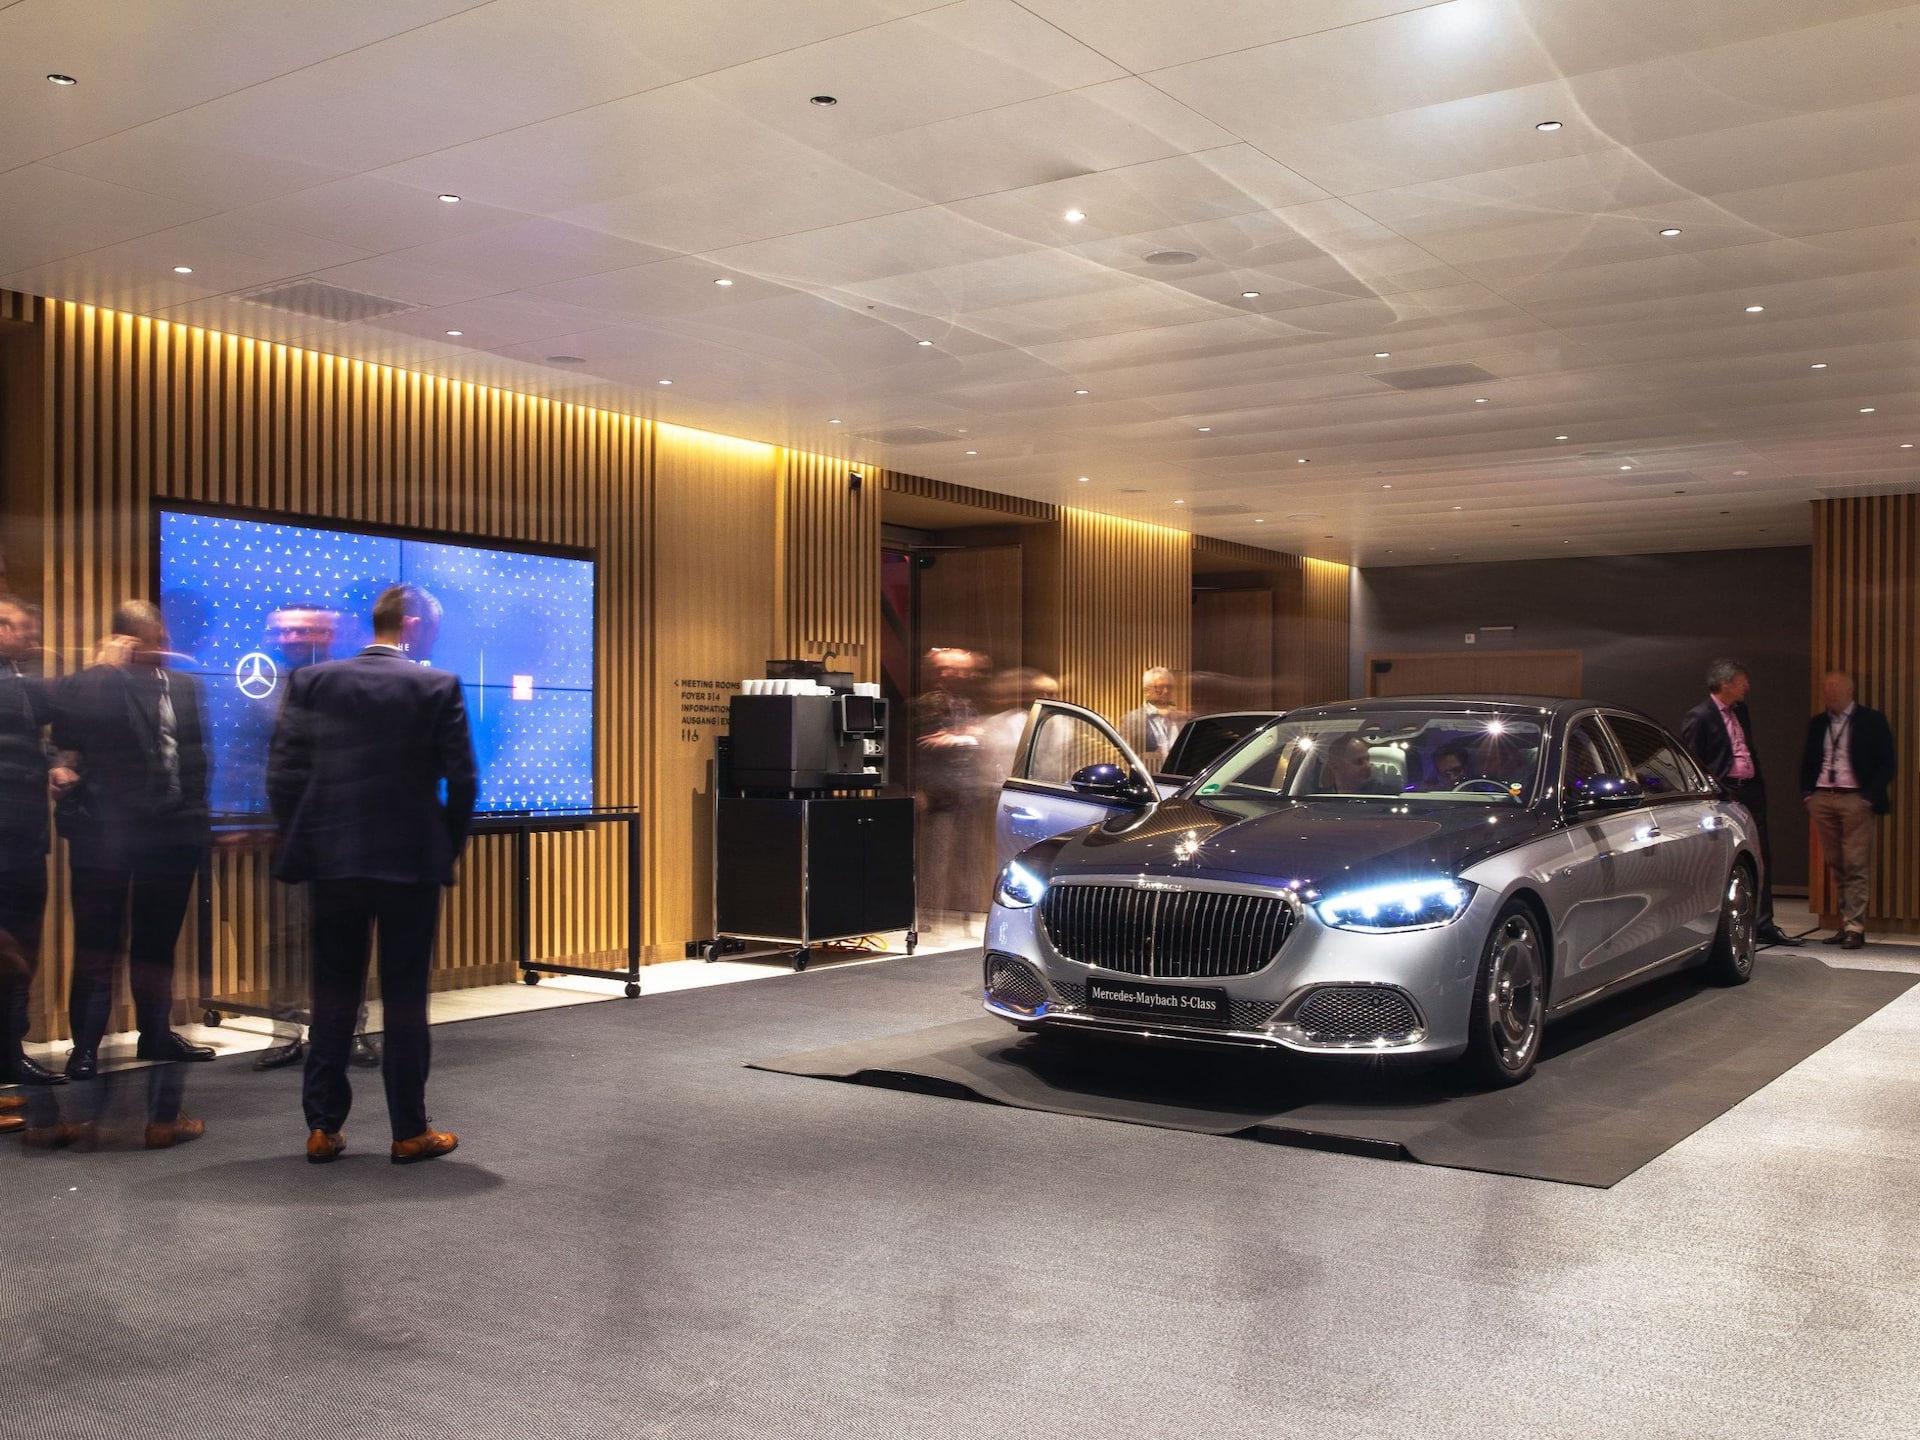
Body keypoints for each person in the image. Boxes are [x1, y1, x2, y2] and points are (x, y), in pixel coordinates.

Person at [268, 583, 476, 1165]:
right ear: (410, 625)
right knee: (406, 996)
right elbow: (462, 783)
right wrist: (445, 848)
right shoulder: (437, 685)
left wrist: (305, 837)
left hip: (332, 861)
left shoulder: (313, 682)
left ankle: (322, 1126)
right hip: (411, 864)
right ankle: (410, 1131)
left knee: (333, 992)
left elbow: (283, 775)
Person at [53, 600, 215, 1080]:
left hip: (172, 833)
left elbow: (196, 758)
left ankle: (156, 1032)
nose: (162, 649)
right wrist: (104, 668)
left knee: (157, 944)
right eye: (152, 641)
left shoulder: (185, 686)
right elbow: (64, 729)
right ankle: (85, 1046)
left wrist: (197, 821)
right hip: (106, 834)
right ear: (126, 641)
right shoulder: (95, 685)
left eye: (163, 639)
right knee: (96, 944)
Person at [1681, 659, 1801, 947]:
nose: (1746, 686)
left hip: (1751, 792)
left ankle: (1764, 923)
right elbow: (1694, 763)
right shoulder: (1699, 717)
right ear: (1726, 684)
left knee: (1762, 857)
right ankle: (1725, 924)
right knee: (1729, 859)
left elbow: (1747, 749)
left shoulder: (1741, 712)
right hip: (1726, 794)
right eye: (1742, 681)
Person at [0, 598, 68, 1087]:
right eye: (21, 628)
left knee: (22, 952)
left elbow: (30, 738)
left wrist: (52, 763)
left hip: (24, 838)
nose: (30, 638)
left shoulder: (17, 681)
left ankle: (10, 1052)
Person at [1800, 671, 1897, 949]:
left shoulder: (1872, 720)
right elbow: (1808, 761)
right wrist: (1808, 795)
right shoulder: (1819, 723)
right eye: (1825, 691)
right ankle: (1845, 923)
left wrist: (1868, 797)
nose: (1828, 696)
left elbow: (1886, 763)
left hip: (1856, 799)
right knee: (1836, 863)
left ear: (1849, 692)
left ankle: (1856, 926)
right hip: (1823, 797)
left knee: (1855, 864)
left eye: (1834, 691)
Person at [1119, 668, 1182, 773]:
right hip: (1149, 779)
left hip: (1181, 780)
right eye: (1160, 687)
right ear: (1146, 690)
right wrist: (1147, 757)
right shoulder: (1131, 720)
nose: (1166, 691)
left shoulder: (1183, 719)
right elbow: (1123, 757)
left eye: (1170, 687)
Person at [1317, 733, 1392, 795]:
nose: (1368, 766)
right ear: (1335, 766)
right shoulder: (1318, 801)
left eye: (1368, 759)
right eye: (1359, 761)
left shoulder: (1388, 798)